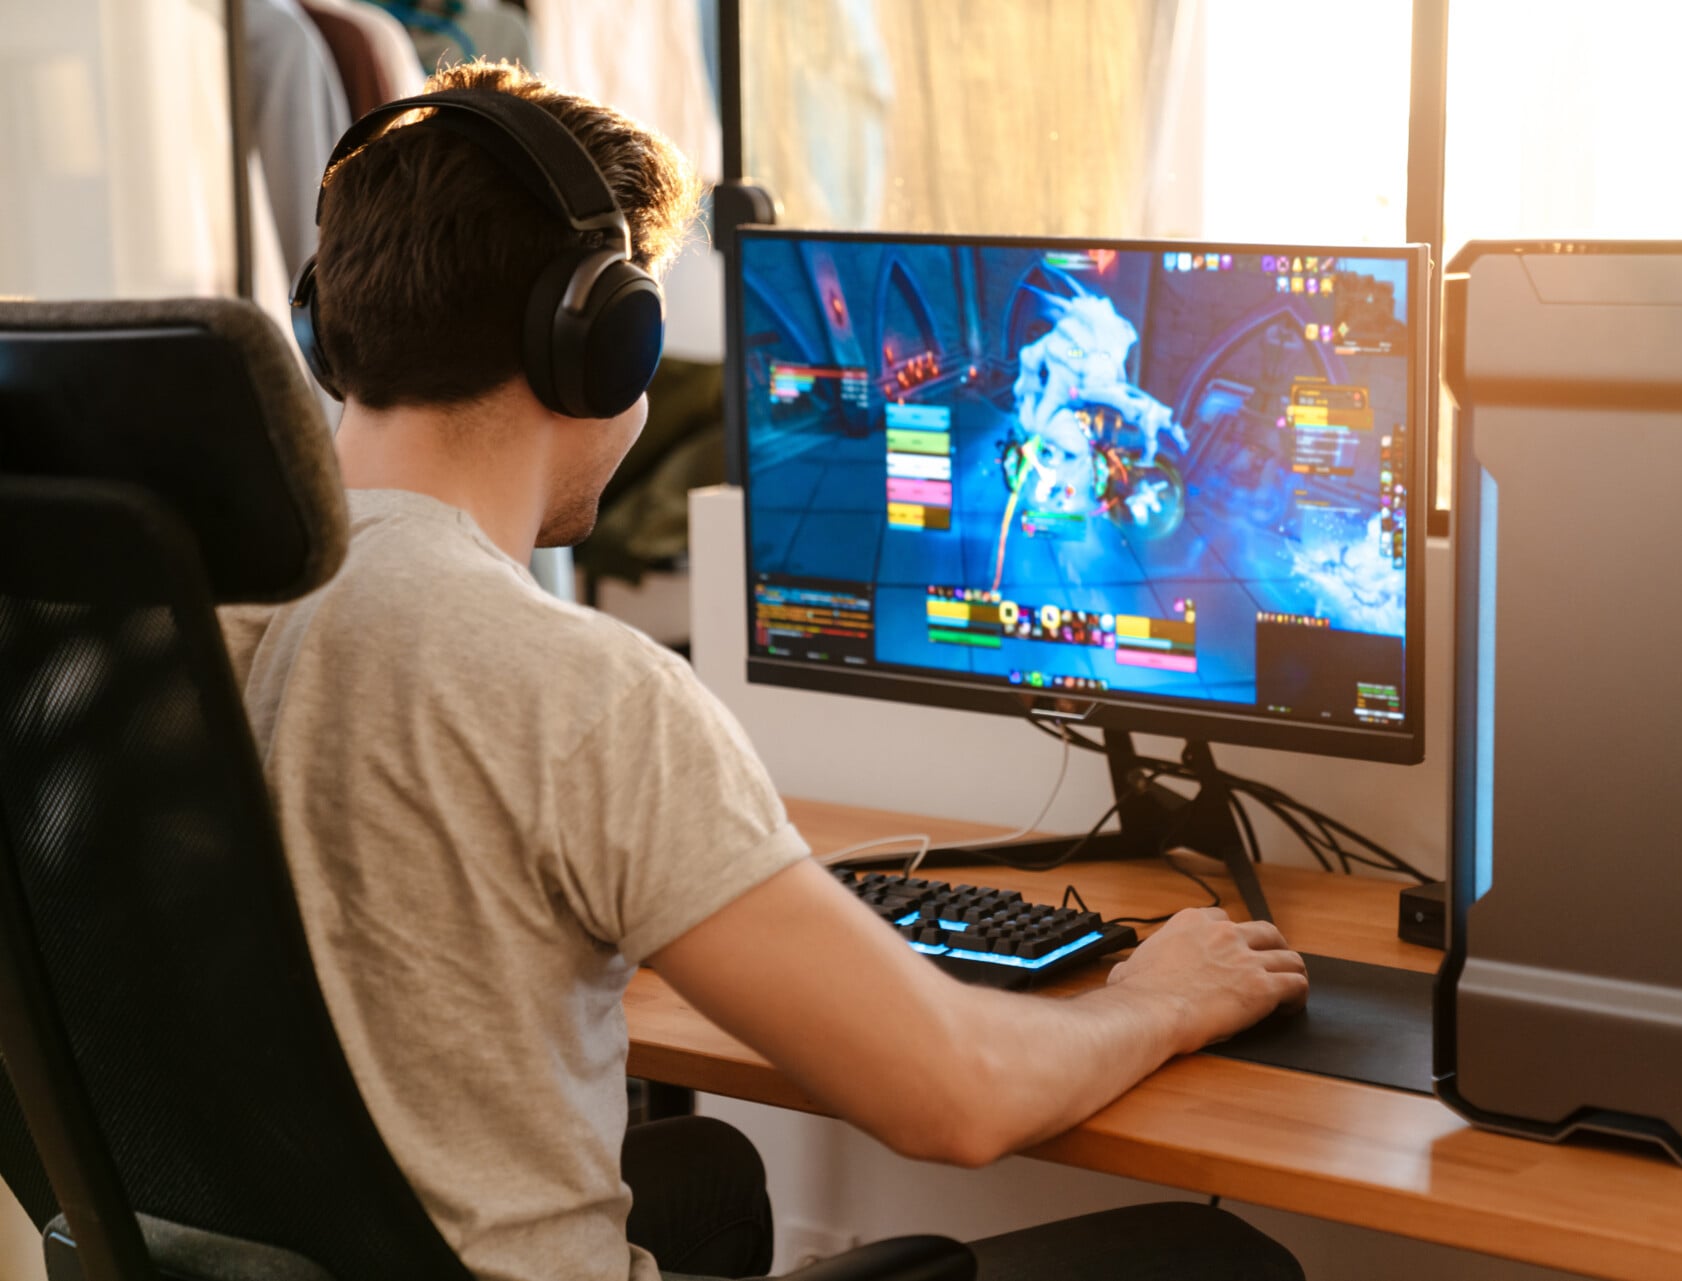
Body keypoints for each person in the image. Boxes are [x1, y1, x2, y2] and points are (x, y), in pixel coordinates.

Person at [221, 59, 1310, 1281]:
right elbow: (961, 1098)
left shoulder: (186, 622)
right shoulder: (576, 691)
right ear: (604, 343)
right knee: (1211, 1257)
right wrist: (1159, 997)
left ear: (330, 329)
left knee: (705, 1178)